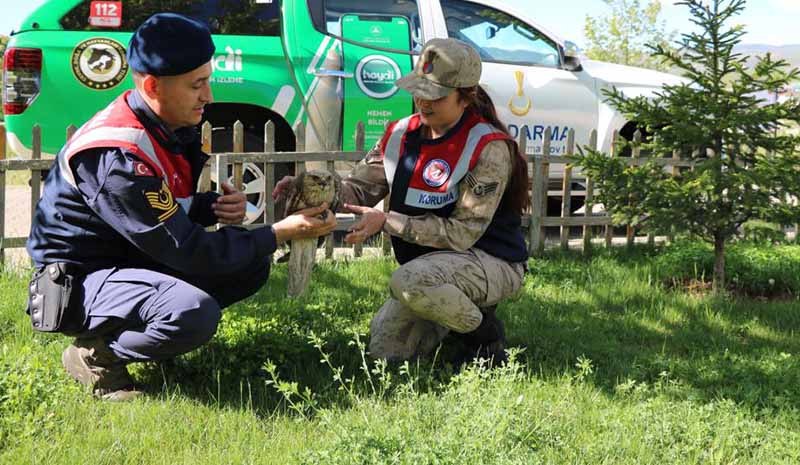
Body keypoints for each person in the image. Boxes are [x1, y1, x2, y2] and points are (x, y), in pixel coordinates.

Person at [25, 13, 336, 401]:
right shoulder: (118, 157)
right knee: (192, 311)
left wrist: (212, 207)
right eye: (198, 85)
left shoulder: (161, 125)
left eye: (208, 80)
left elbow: (160, 208)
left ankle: (149, 334)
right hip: (78, 281)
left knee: (249, 263)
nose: (209, 96)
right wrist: (279, 233)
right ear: (154, 86)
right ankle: (96, 354)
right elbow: (187, 249)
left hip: (125, 258)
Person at [275, 38, 529, 364]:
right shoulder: (400, 134)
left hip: (491, 261)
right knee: (385, 353)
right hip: (429, 267)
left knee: (409, 282)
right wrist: (311, 188)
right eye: (417, 89)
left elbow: (462, 234)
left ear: (465, 97)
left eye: (435, 94)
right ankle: (455, 315)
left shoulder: (488, 147)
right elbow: (357, 189)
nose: (422, 101)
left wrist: (388, 222)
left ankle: (486, 337)